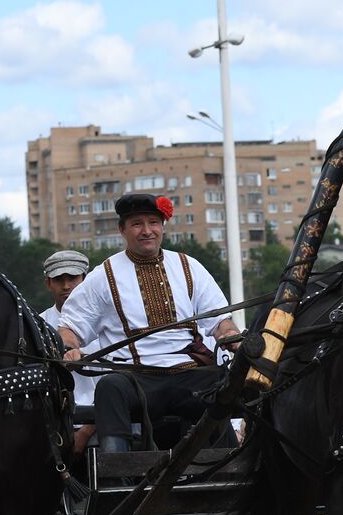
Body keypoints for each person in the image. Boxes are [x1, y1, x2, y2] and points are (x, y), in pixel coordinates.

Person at [57, 193, 240, 455]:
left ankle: (233, 465)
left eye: (153, 222)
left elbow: (220, 321)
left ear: (162, 226)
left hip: (187, 374)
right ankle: (117, 471)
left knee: (226, 382)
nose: (147, 231)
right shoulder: (103, 276)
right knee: (109, 387)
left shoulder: (189, 266)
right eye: (137, 224)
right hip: (135, 379)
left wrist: (231, 335)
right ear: (122, 230)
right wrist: (69, 347)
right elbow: (70, 328)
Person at [39, 250, 99, 454]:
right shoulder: (38, 326)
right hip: (53, 427)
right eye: (58, 279)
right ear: (48, 283)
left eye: (73, 278)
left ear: (85, 279)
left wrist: (85, 432)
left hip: (103, 422)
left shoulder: (106, 321)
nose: (66, 286)